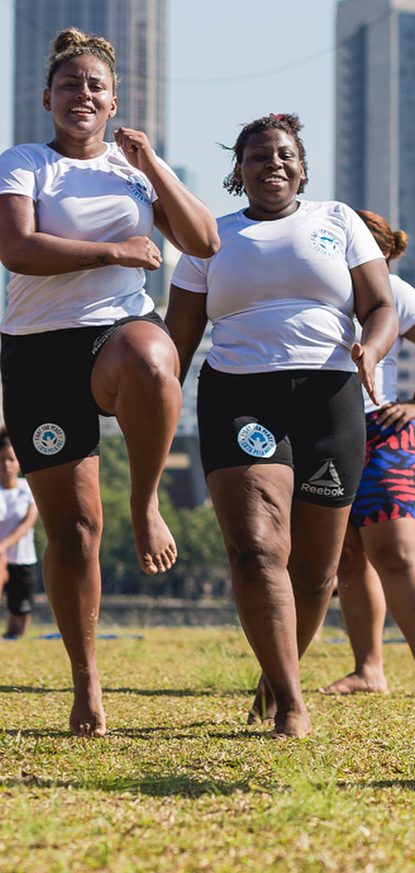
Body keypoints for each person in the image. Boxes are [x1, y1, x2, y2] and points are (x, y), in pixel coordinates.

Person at [0, 27, 218, 736]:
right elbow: (17, 249)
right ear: (47, 98)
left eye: (95, 87)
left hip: (116, 330)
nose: (81, 95)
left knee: (153, 358)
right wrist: (114, 250)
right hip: (39, 352)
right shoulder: (25, 163)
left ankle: (145, 502)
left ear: (114, 101)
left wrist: (155, 164)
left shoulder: (136, 171)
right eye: (69, 85)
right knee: (76, 532)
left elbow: (204, 242)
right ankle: (86, 681)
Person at [165, 113, 396, 738]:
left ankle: (273, 681)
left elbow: (380, 305)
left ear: (302, 167)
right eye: (258, 156)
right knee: (257, 549)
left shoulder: (338, 220)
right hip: (241, 395)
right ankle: (292, 704)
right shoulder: (211, 236)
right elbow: (177, 343)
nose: (273, 163)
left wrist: (371, 349)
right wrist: (143, 402)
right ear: (238, 172)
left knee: (317, 573)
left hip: (330, 396)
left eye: (285, 154)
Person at [322, 211, 415, 696]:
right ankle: (369, 670)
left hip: (382, 430)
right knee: (347, 556)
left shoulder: (395, 291)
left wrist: (414, 404)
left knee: (396, 553)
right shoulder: (323, 288)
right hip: (326, 430)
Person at [0, 430, 38, 640]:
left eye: (11, 459)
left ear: (19, 462)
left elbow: (27, 524)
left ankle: (8, 627)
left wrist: (4, 544)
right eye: (2, 460)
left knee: (17, 631)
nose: (7, 465)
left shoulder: (30, 489)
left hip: (22, 561)